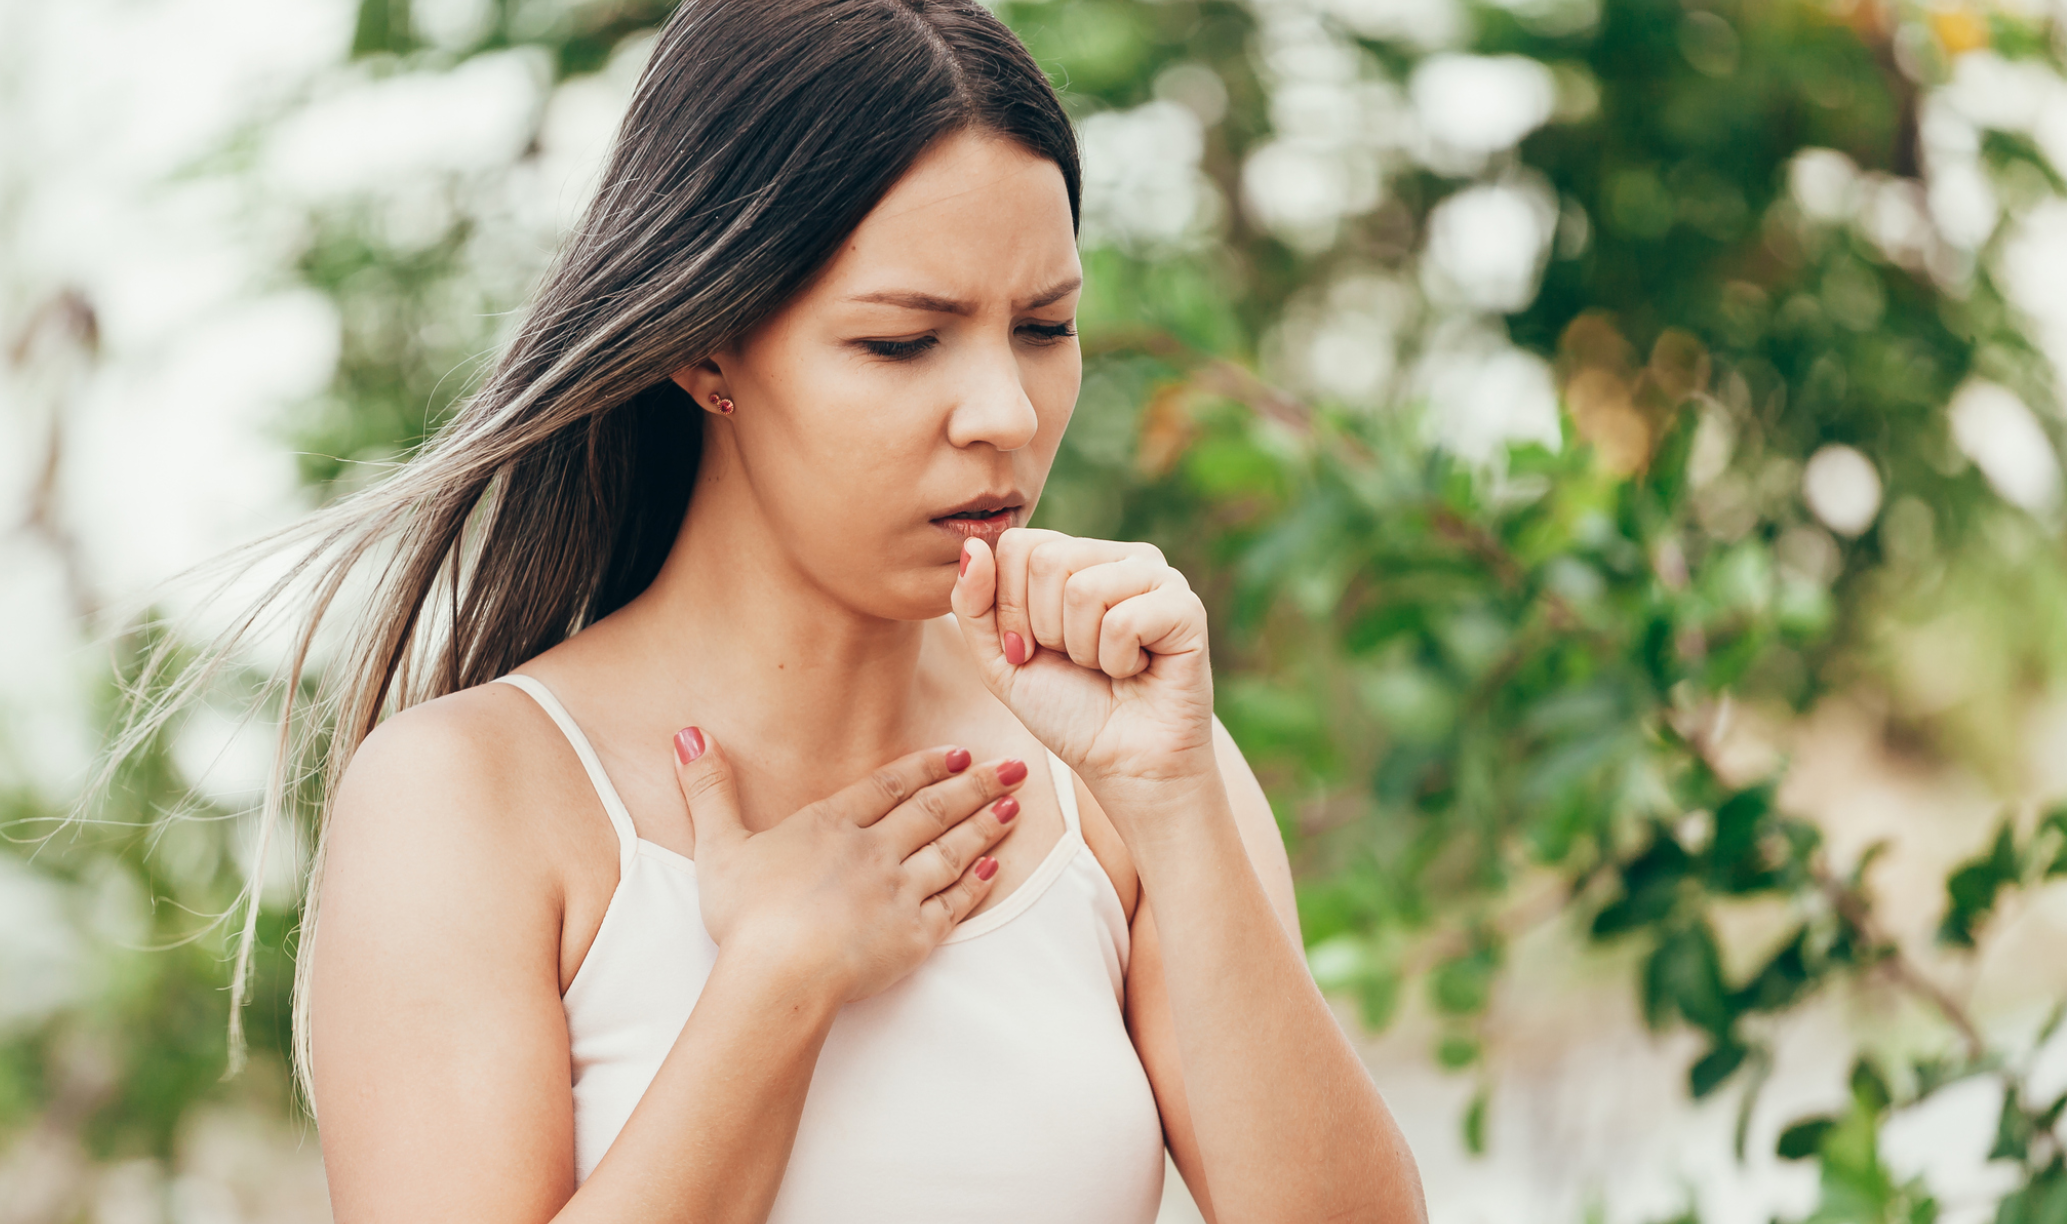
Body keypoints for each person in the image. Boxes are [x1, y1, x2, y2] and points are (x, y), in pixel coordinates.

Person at [246, 0, 1426, 1219]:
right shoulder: (472, 797)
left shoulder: (1128, 784)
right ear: (706, 351)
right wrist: (775, 988)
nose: (1005, 415)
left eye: (1044, 328)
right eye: (905, 343)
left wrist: (1179, 811)